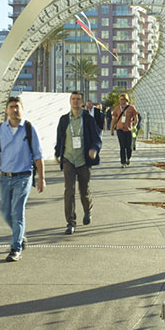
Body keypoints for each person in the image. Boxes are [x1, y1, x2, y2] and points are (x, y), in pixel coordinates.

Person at [0, 96, 45, 261]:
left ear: (22, 109)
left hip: (24, 176)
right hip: (5, 177)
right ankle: (20, 236)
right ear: (6, 110)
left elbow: (38, 155)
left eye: (17, 107)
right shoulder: (0, 130)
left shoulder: (29, 128)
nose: (14, 110)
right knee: (6, 213)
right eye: (11, 107)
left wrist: (41, 178)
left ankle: (15, 248)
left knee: (17, 211)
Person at [55, 90, 101, 234]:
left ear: (82, 102)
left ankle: (87, 210)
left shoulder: (87, 119)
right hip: (69, 159)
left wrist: (94, 149)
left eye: (78, 99)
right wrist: (58, 154)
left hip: (83, 160)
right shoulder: (63, 120)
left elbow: (96, 138)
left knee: (84, 191)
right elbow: (59, 139)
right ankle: (70, 222)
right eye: (73, 99)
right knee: (69, 191)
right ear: (70, 101)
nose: (75, 101)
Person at [112, 93, 138, 166]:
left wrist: (135, 125)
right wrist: (111, 129)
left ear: (126, 99)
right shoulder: (117, 108)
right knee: (122, 146)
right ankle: (123, 162)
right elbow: (114, 119)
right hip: (119, 129)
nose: (121, 101)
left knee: (129, 147)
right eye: (120, 99)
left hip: (128, 129)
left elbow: (136, 117)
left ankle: (128, 158)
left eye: (123, 99)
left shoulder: (131, 108)